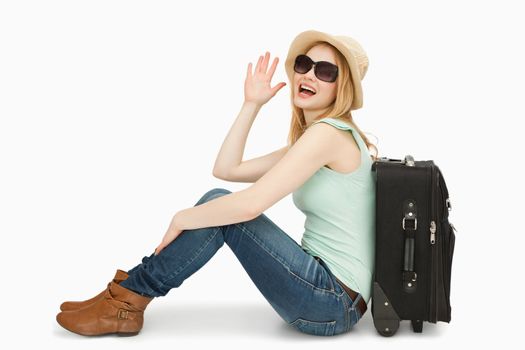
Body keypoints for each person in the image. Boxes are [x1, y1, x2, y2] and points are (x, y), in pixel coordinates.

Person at [56, 29, 379, 337]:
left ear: (343, 88)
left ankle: (126, 300)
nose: (308, 75)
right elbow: (227, 168)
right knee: (218, 199)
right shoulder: (314, 139)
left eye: (325, 71)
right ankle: (123, 297)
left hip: (332, 303)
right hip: (324, 291)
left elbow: (250, 204)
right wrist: (252, 104)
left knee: (224, 208)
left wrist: (180, 217)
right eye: (303, 65)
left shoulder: (328, 135)